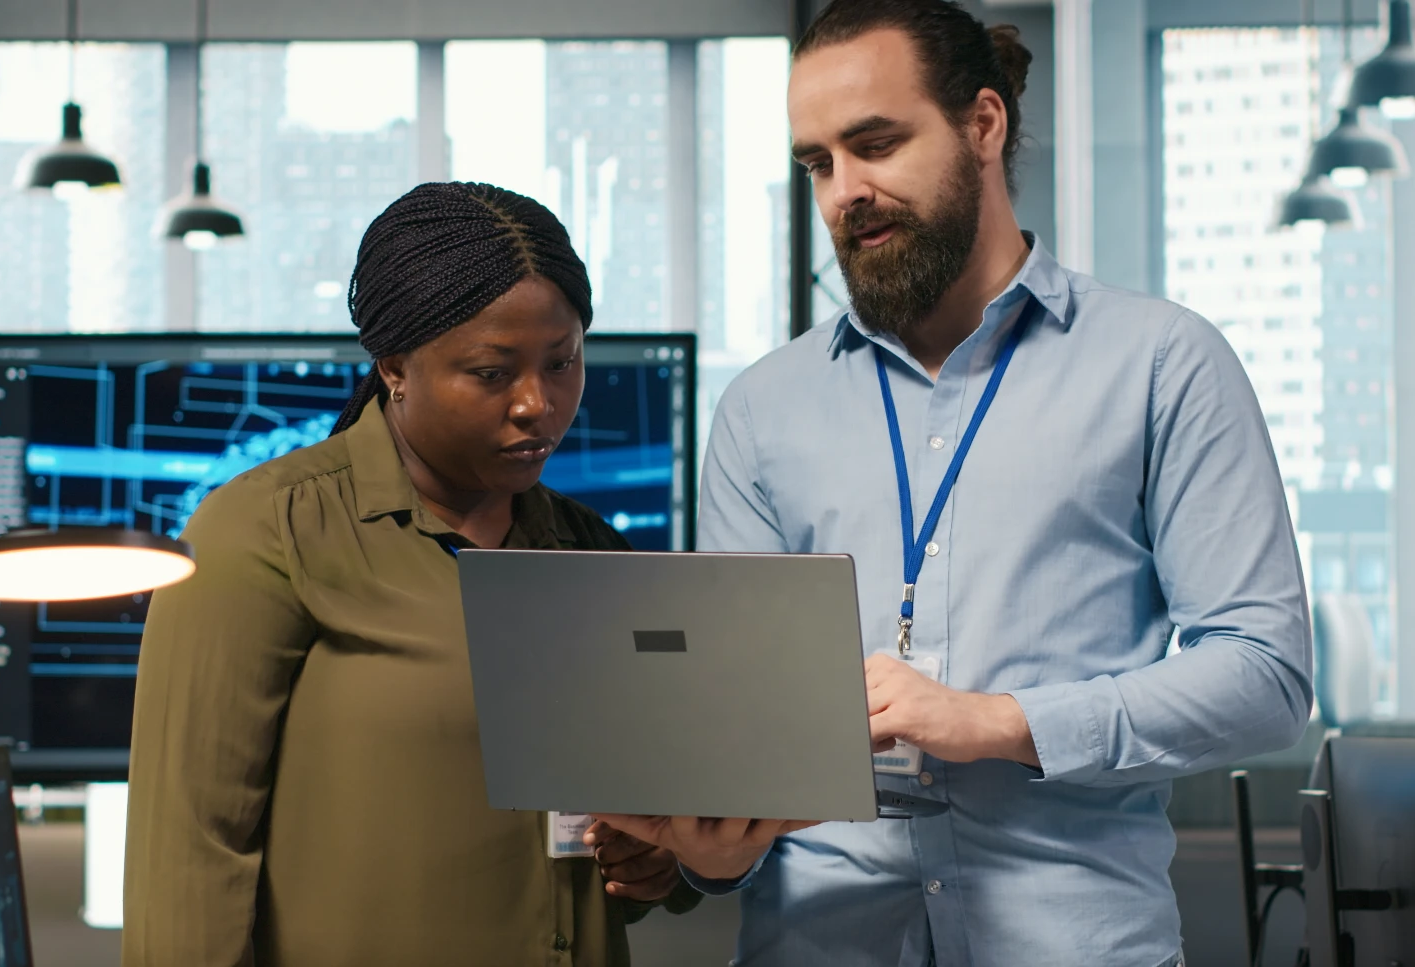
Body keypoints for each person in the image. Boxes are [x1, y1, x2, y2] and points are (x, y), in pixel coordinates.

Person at [590, 2, 1313, 965]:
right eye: (818, 163)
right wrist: (710, 851)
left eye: (876, 143)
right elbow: (738, 738)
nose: (845, 191)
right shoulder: (762, 410)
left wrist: (998, 721)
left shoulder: (1162, 364)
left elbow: (1265, 673)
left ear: (983, 124)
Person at [123, 181, 697, 967]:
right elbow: (190, 857)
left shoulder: (590, 549)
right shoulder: (266, 535)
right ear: (394, 364)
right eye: (494, 373)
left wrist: (659, 858)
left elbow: (662, 812)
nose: (540, 403)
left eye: (562, 362)